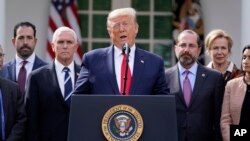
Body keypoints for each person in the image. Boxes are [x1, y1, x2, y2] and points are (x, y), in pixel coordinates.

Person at [74, 7, 169, 95]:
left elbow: (163, 100)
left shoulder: (154, 62)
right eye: (116, 25)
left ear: (136, 28)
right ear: (109, 32)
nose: (121, 29)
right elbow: (79, 97)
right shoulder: (92, 59)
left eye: (125, 24)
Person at [165, 29, 224, 141]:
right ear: (175, 48)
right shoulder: (164, 77)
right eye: (183, 45)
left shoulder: (215, 78)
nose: (186, 49)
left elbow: (218, 117)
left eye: (191, 46)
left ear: (199, 50)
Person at [25, 26, 81, 141]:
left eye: (69, 42)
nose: (65, 46)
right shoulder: (36, 77)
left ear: (75, 47)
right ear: (52, 46)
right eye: (60, 42)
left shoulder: (86, 75)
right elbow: (31, 120)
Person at [2, 21, 47, 94]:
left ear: (35, 41)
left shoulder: (47, 70)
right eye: (21, 38)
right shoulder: (2, 70)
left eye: (29, 38)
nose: (25, 42)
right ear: (14, 41)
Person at [221, 44, 250, 141]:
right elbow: (225, 119)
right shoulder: (231, 85)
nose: (245, 61)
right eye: (244, 57)